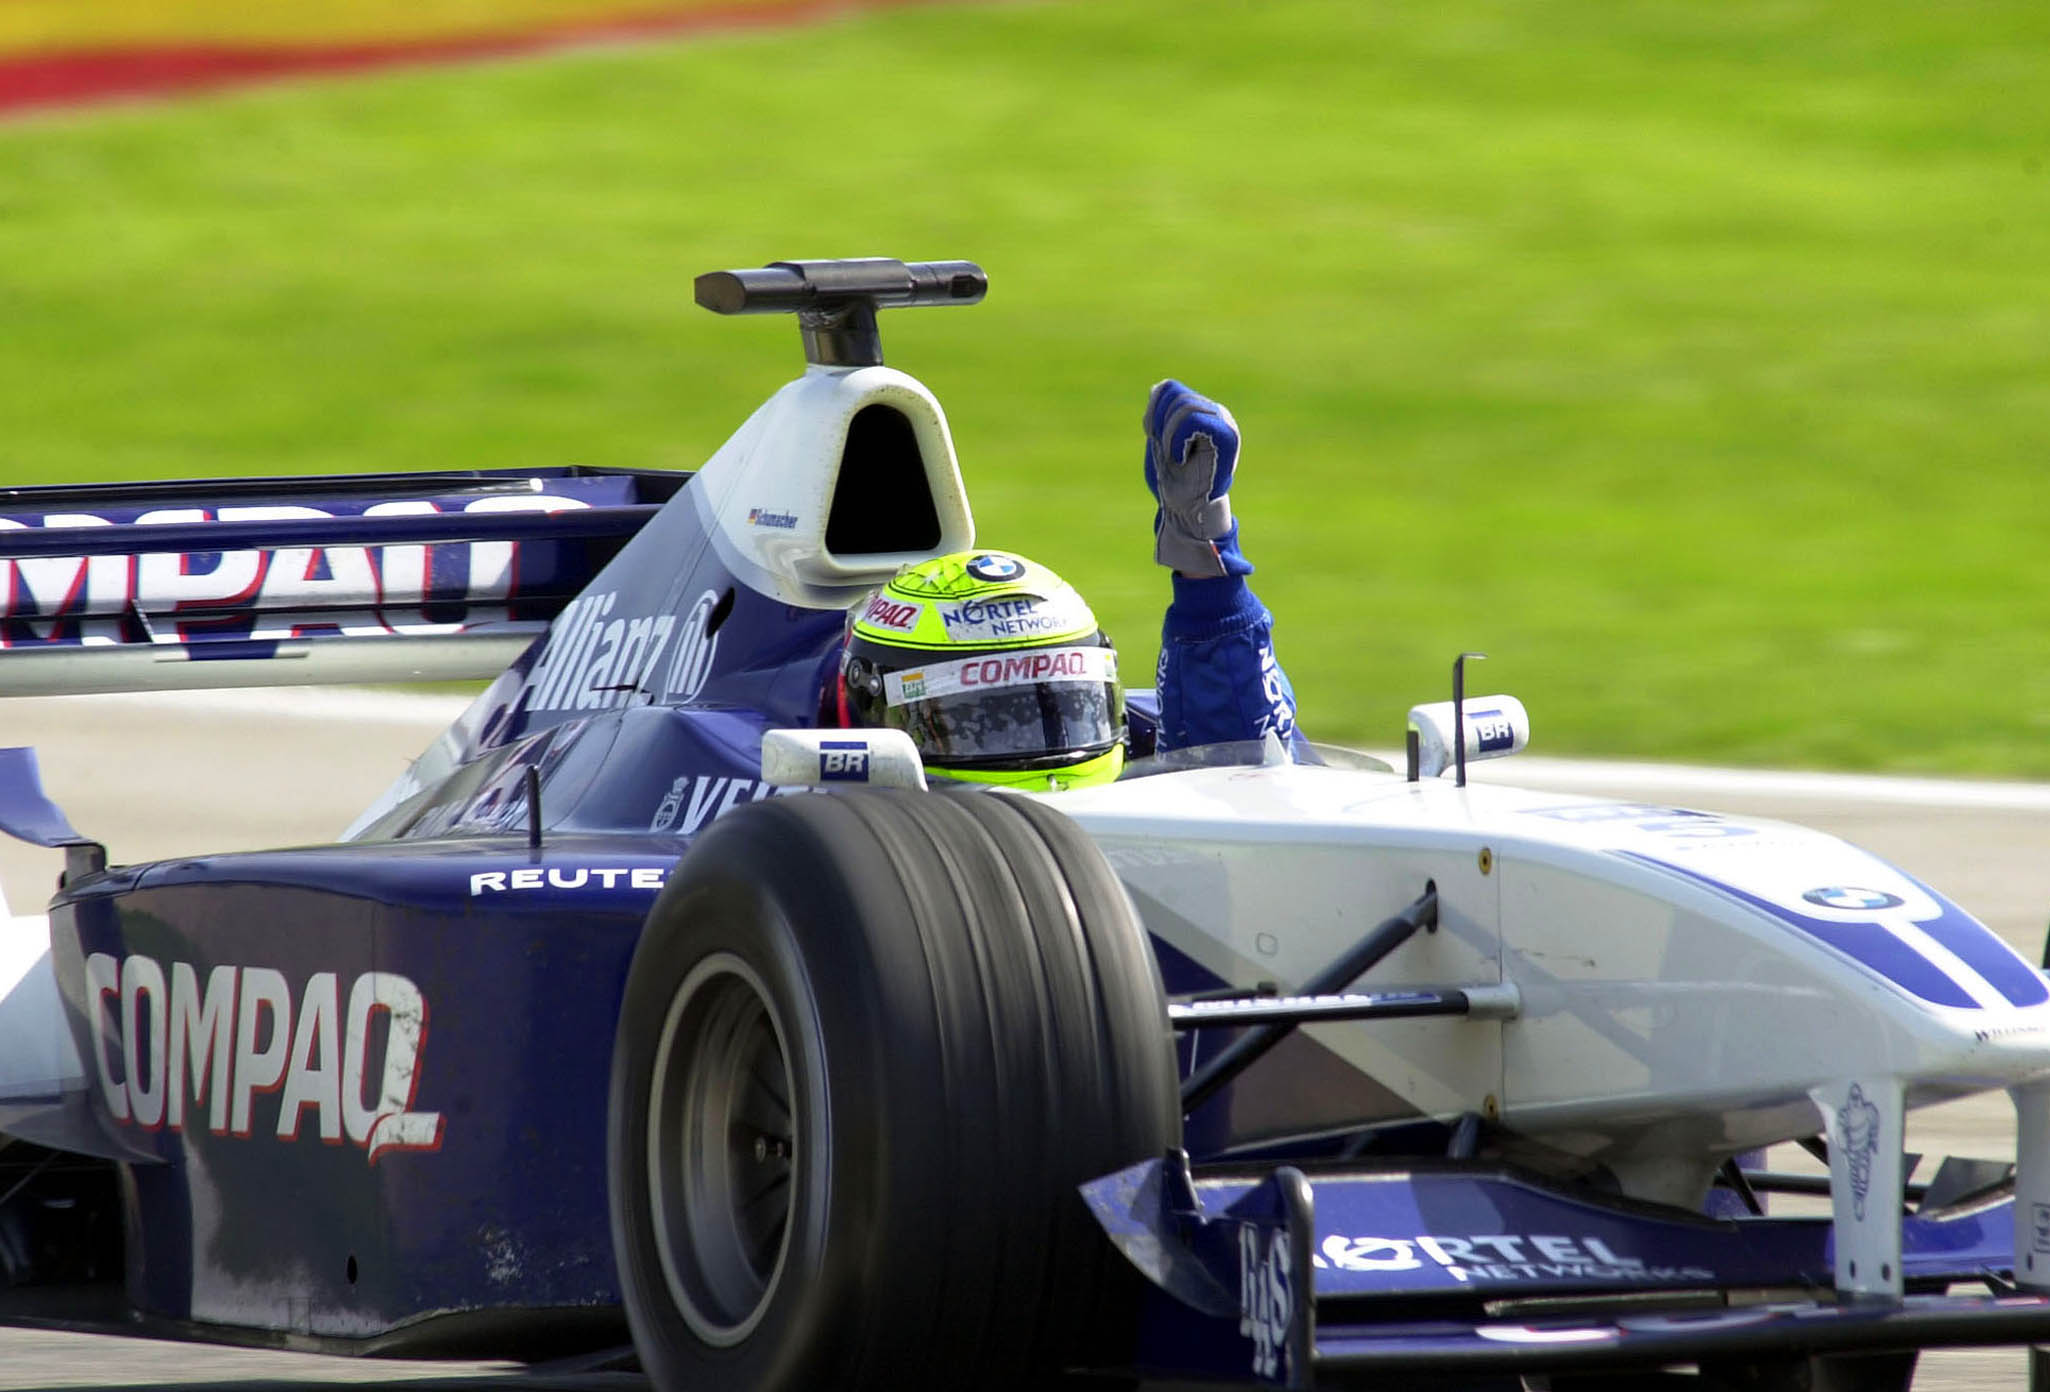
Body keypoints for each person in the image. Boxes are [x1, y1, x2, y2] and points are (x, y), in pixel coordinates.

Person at [827, 380, 1299, 791]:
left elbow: (1250, 764)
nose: (1042, 750)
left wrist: (1207, 571)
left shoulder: (1150, 787)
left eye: (1071, 709)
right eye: (983, 724)